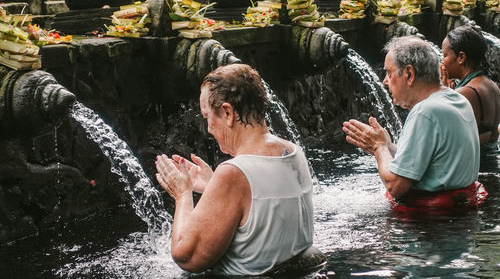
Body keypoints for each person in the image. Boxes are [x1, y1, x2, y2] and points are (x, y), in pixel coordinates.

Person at [155, 64, 315, 275]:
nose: (209, 128)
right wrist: (214, 187)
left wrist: (182, 194)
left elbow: (187, 257)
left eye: (207, 117)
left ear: (228, 112)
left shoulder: (234, 173)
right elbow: (263, 206)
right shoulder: (293, 152)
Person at [342, 36, 485, 210]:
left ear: (409, 74)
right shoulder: (455, 98)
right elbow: (423, 160)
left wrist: (378, 148)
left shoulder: (425, 112)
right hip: (459, 217)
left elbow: (396, 186)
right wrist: (387, 146)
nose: (384, 82)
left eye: (389, 73)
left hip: (433, 227)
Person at [440, 25, 500, 145]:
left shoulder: (465, 93)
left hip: (476, 163)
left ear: (461, 57)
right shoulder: (492, 86)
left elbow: (445, 137)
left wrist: (443, 95)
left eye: (445, 55)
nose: (442, 60)